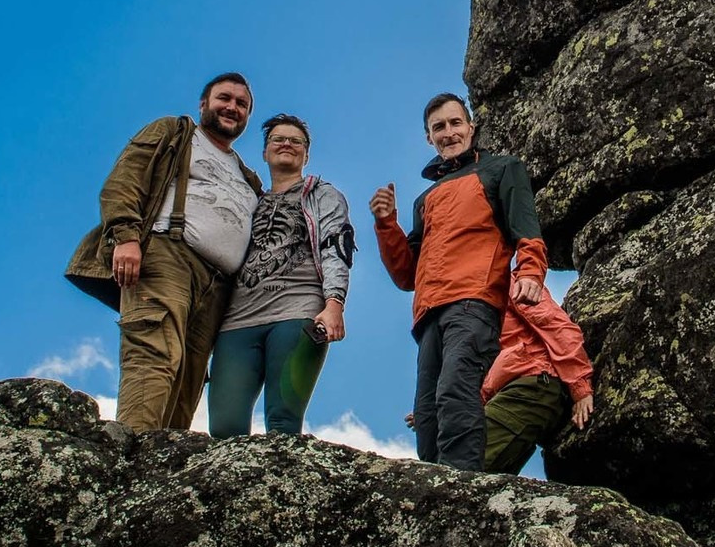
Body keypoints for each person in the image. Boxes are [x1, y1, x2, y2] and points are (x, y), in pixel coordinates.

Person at [66, 74, 263, 430]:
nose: (232, 107)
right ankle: (133, 448)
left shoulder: (248, 177)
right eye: (225, 98)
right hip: (167, 255)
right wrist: (125, 237)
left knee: (190, 372)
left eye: (241, 104)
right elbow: (125, 181)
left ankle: (164, 463)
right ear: (204, 104)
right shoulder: (175, 133)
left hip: (219, 286)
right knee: (155, 350)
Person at [371, 92, 548, 472]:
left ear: (471, 127)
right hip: (428, 313)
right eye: (439, 127)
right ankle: (438, 491)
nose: (448, 132)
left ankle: (463, 486)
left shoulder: (502, 168)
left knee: (456, 390)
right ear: (428, 138)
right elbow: (406, 274)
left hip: (475, 300)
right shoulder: (425, 199)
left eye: (455, 123)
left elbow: (526, 228)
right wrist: (387, 224)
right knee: (428, 413)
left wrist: (531, 272)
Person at [207, 114, 354, 438]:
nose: (286, 143)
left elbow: (336, 247)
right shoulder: (246, 199)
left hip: (297, 314)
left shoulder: (322, 195)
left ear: (306, 154)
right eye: (278, 139)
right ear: (264, 152)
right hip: (237, 321)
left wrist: (334, 303)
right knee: (224, 429)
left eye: (295, 140)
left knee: (284, 423)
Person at [480, 287, 596, 474]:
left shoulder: (510, 284)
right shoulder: (467, 306)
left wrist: (580, 386)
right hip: (511, 393)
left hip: (534, 383)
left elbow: (555, 325)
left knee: (464, 460)